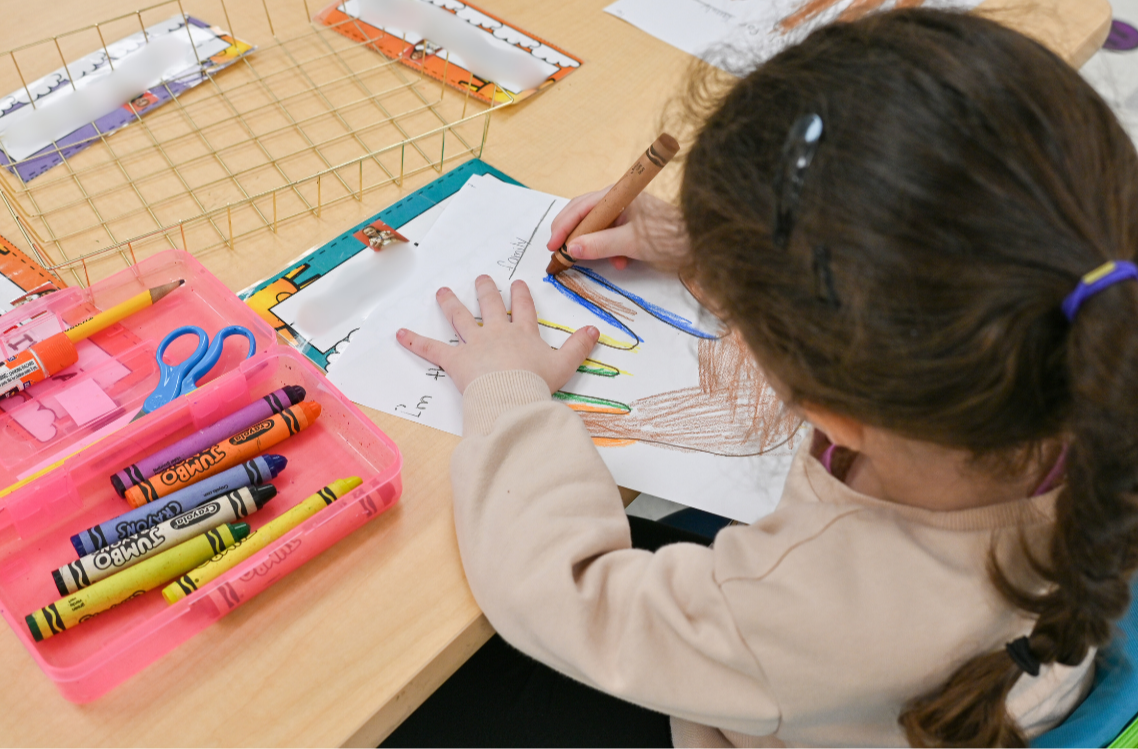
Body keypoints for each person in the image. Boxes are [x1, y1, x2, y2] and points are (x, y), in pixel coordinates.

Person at [387, 8, 1138, 748]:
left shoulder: (804, 604)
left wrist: (509, 394)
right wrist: (727, 249)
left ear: (834, 413)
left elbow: (561, 597)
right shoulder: (1099, 338)